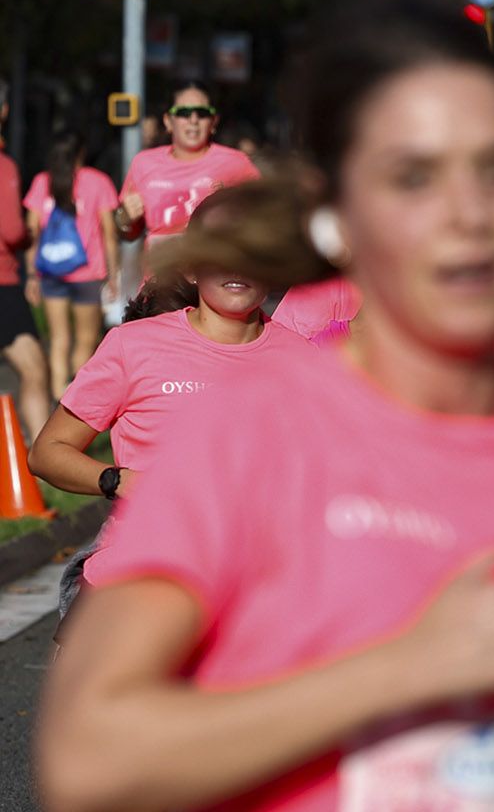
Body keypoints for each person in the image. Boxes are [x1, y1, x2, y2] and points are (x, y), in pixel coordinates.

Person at [34, 0, 494, 811]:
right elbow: (88, 758)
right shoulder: (250, 425)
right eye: (414, 177)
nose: (464, 214)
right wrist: (410, 668)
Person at [28, 187, 311, 624]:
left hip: (252, 609)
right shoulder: (132, 346)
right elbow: (47, 452)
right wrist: (118, 480)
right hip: (130, 598)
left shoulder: (306, 362)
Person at [23, 132, 120, 400]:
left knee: (58, 339)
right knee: (86, 341)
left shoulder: (42, 182)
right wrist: (113, 275)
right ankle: (78, 400)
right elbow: (109, 233)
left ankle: (57, 398)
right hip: (88, 273)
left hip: (51, 272)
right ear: (81, 153)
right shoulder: (98, 181)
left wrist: (32, 275)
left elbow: (32, 231)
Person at [117, 80, 260, 246]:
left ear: (213, 122)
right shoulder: (143, 163)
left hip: (216, 270)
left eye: (202, 113)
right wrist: (124, 218)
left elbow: (268, 215)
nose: (193, 120)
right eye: (184, 112)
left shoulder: (235, 163)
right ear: (168, 121)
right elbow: (128, 234)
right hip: (160, 271)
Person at [0, 76, 48, 440]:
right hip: (2, 282)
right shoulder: (4, 165)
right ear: (4, 111)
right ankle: (45, 459)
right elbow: (12, 230)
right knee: (33, 369)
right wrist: (30, 235)